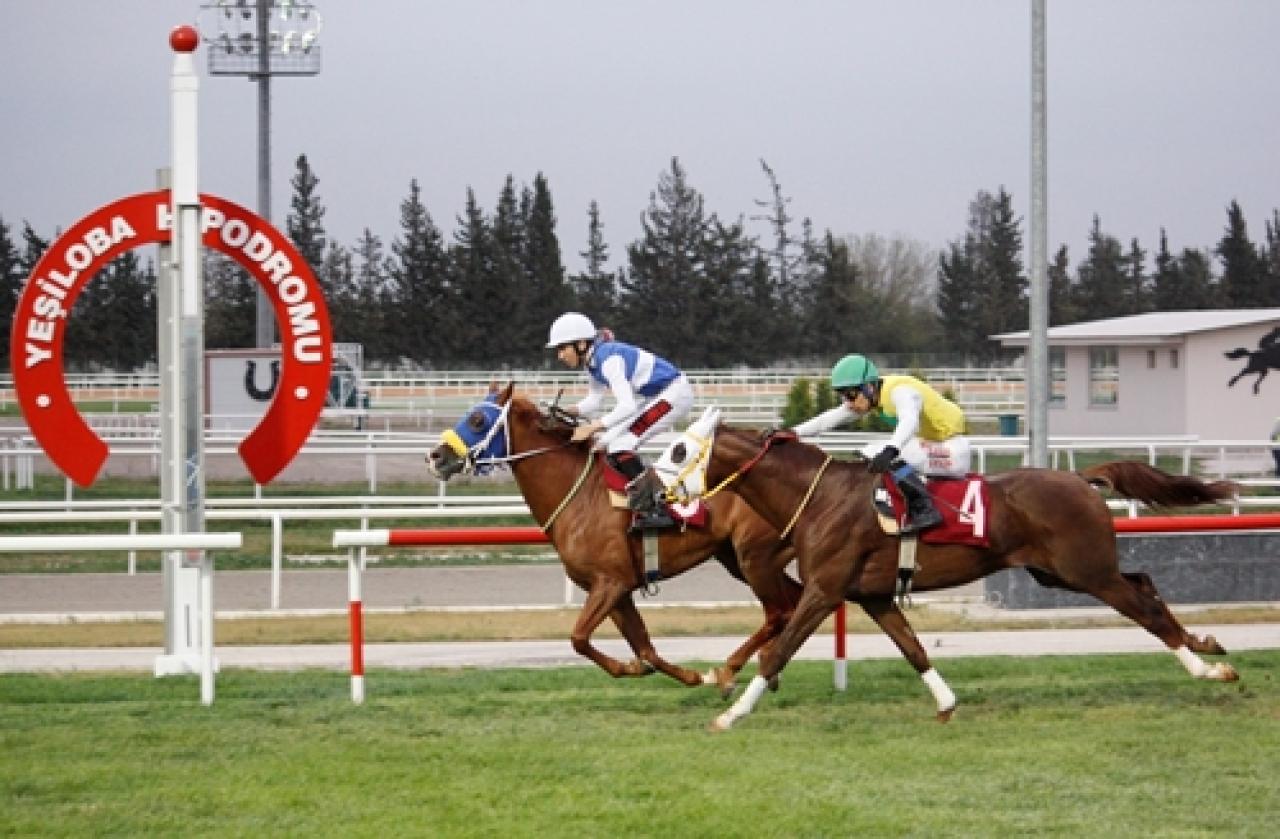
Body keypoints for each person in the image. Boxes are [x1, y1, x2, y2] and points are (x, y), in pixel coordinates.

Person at [546, 312, 695, 530]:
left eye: (562, 348)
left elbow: (627, 406)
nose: (559, 355)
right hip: (657, 395)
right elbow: (594, 401)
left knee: (621, 444)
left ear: (580, 344)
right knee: (605, 443)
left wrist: (592, 427)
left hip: (674, 394)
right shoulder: (593, 361)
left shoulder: (608, 360)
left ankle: (657, 508)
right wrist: (568, 411)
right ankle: (640, 498)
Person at [791, 353, 968, 534]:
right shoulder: (872, 396)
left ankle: (925, 510)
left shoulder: (901, 391)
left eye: (850, 395)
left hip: (953, 451)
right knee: (870, 450)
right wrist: (792, 432)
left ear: (868, 387)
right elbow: (828, 419)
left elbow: (909, 420)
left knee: (889, 451)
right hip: (932, 446)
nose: (848, 403)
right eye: (843, 396)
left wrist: (891, 450)